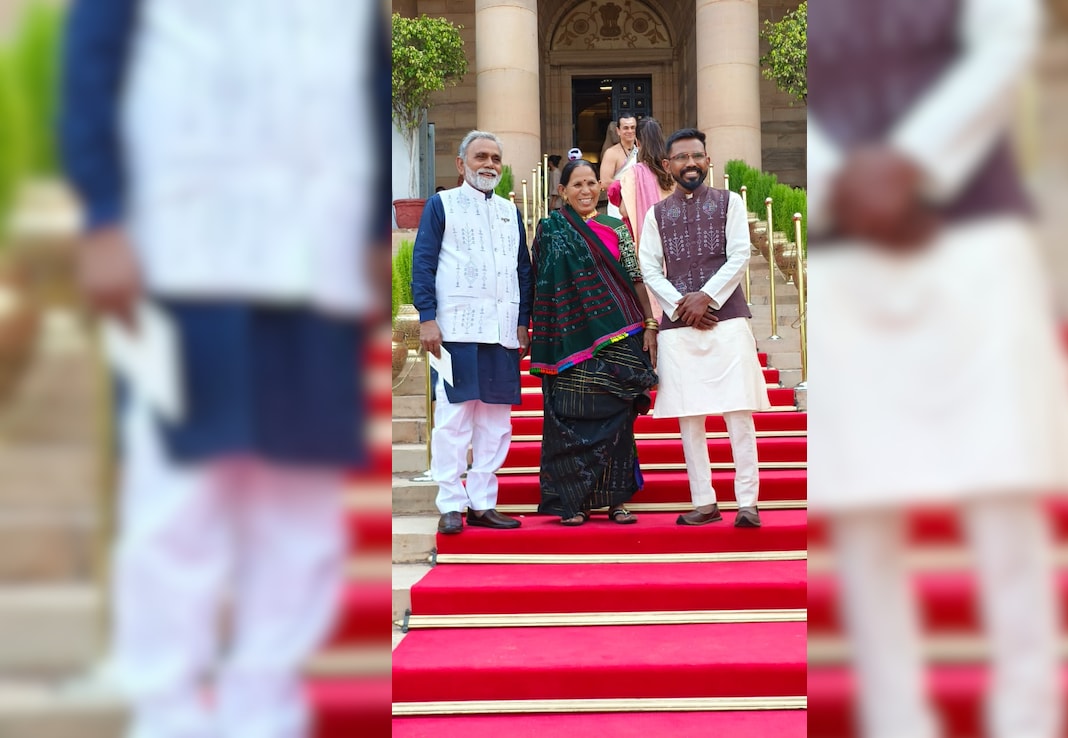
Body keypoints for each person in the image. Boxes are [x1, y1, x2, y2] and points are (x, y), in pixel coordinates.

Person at [59, 2, 389, 736]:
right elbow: (91, 78)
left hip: (316, 264)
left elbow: (366, 92)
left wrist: (371, 236)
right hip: (178, 257)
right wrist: (103, 216)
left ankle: (263, 708)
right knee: (174, 503)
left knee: (299, 511)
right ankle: (166, 711)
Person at [806, 0, 1068, 736]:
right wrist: (841, 180)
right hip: (848, 250)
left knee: (1004, 497)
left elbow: (1004, 45)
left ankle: (1028, 716)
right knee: (864, 514)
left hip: (975, 238)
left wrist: (912, 164)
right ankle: (896, 717)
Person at [638, 128, 770, 528]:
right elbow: (648, 266)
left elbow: (739, 254)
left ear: (708, 160)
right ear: (667, 165)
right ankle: (704, 501)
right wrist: (683, 305)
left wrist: (706, 298)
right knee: (689, 417)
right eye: (681, 157)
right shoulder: (656, 214)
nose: (690, 163)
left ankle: (747, 502)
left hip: (726, 320)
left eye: (697, 156)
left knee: (738, 413)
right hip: (679, 327)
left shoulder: (729, 203)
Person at [412, 131, 533, 536]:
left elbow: (523, 270)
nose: (490, 164)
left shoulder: (508, 211)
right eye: (481, 156)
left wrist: (522, 322)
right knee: (453, 418)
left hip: (500, 331)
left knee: (496, 423)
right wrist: (427, 316)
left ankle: (483, 502)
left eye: (496, 158)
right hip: (455, 330)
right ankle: (450, 502)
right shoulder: (440, 205)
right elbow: (423, 263)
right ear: (461, 164)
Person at [530, 159, 659, 526]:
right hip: (569, 339)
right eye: (577, 186)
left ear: (601, 188)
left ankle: (617, 499)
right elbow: (543, 285)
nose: (585, 191)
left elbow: (634, 278)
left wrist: (650, 323)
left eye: (591, 184)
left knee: (618, 417)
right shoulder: (550, 230)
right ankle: (575, 501)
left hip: (618, 333)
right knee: (571, 415)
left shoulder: (616, 228)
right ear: (562, 192)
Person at [607, 116, 675, 320]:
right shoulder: (670, 172)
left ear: (638, 142)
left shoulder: (634, 173)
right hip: (672, 244)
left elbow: (625, 211)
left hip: (644, 242)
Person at [600, 114, 639, 217]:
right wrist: (632, 186)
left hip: (638, 204)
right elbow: (605, 182)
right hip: (617, 206)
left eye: (632, 127)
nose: (630, 131)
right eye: (625, 128)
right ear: (618, 131)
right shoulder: (611, 153)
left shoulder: (642, 152)